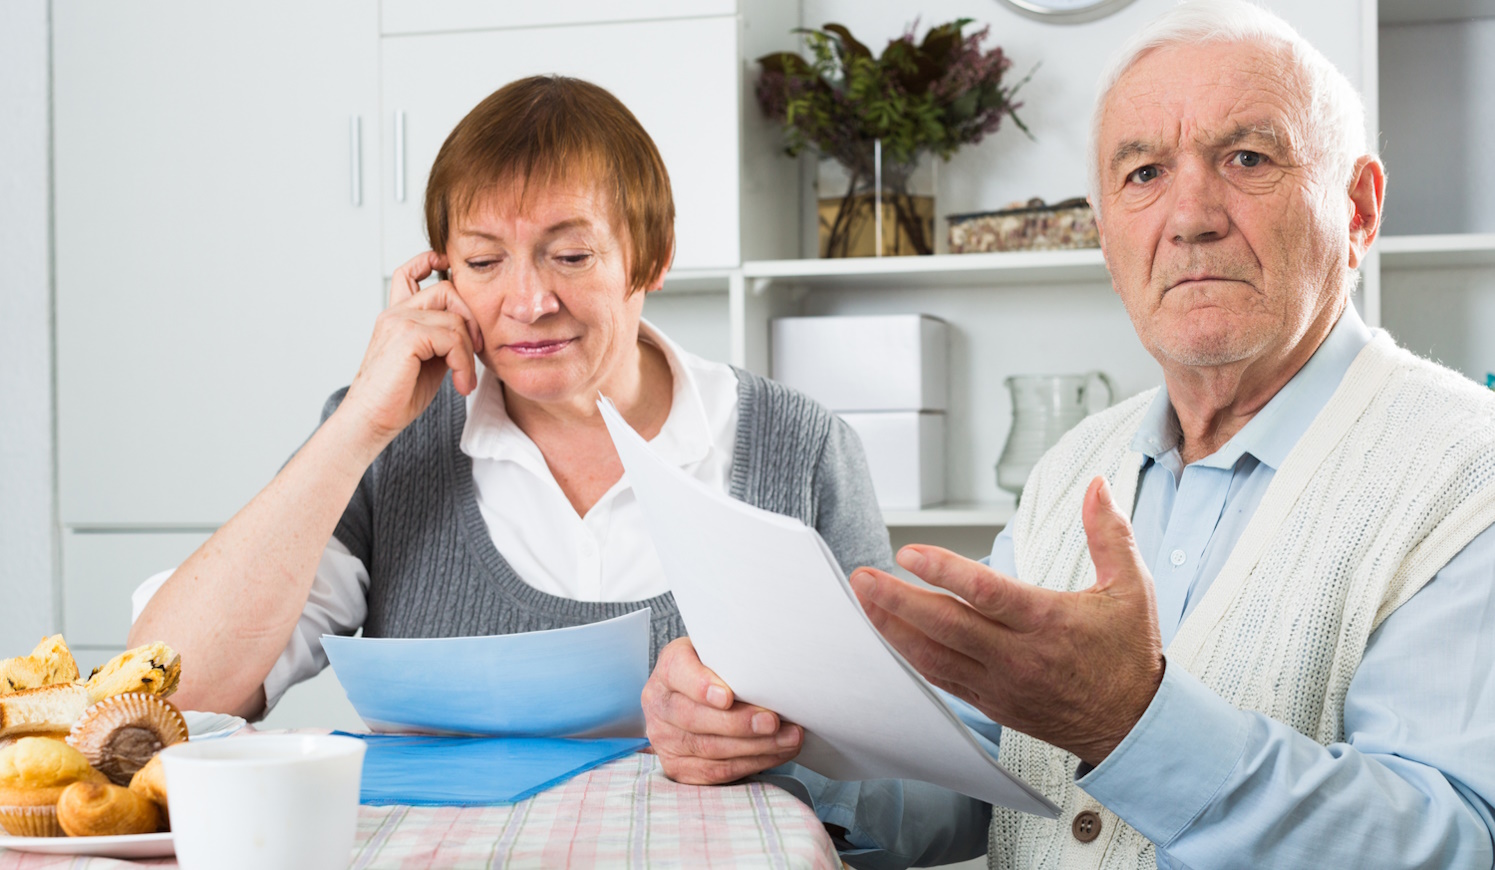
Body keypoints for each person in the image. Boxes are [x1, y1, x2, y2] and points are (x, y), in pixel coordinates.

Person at [643, 2, 1495, 868]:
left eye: (1247, 158)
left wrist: (1126, 723)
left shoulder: (1467, 474)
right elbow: (980, 769)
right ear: (1103, 233)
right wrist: (772, 739)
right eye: (1143, 174)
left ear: (1357, 209)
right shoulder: (1073, 468)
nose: (1190, 214)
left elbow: (1454, 842)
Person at [127, 76, 894, 729]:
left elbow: (902, 781)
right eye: (484, 261)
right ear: (441, 279)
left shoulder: (800, 446)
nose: (528, 302)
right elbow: (167, 699)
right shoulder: (384, 442)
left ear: (651, 257)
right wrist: (360, 424)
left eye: (570, 256)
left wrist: (779, 750)